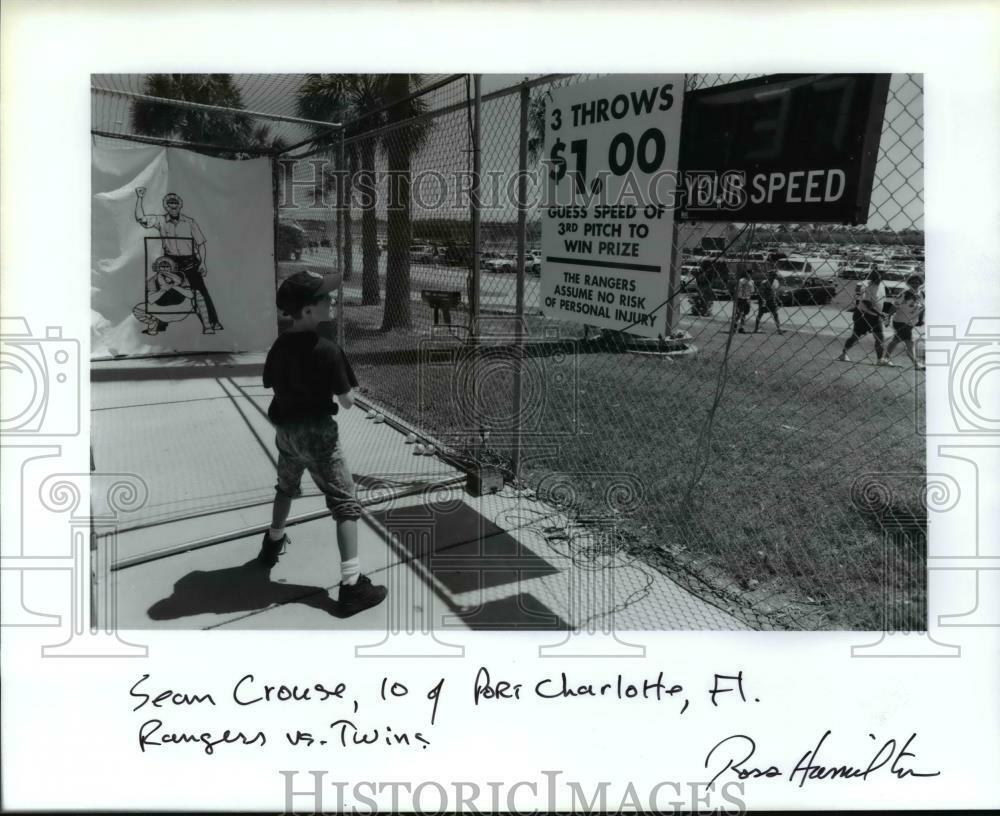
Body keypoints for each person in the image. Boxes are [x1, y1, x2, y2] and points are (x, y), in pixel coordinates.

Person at [258, 270, 387, 615]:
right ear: (309, 310)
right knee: (345, 504)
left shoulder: (279, 345)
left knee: (286, 487)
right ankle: (351, 586)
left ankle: (271, 544)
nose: (332, 301)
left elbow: (270, 381)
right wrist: (352, 393)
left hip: (286, 431)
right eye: (324, 298)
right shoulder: (328, 350)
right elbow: (346, 401)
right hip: (318, 435)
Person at [135, 187, 223, 333]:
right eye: (170, 203)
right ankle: (161, 325)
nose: (173, 206)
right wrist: (139, 198)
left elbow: (201, 244)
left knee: (200, 290)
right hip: (171, 262)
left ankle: (212, 322)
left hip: (190, 261)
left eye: (176, 203)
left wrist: (203, 263)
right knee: (164, 288)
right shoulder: (160, 220)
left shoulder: (190, 222)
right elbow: (141, 218)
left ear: (180, 205)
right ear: (166, 206)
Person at [132, 255, 211, 335]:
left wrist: (174, 285)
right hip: (161, 310)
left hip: (181, 308)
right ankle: (153, 323)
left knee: (197, 293)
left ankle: (207, 326)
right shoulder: (152, 281)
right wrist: (163, 290)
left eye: (167, 266)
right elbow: (151, 300)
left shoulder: (181, 278)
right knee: (137, 309)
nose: (165, 269)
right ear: (157, 267)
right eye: (162, 266)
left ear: (172, 267)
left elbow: (190, 295)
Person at [838, 269, 887, 363]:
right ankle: (843, 354)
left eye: (882, 276)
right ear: (873, 276)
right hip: (863, 315)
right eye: (878, 276)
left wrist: (881, 313)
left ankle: (880, 359)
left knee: (880, 337)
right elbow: (866, 303)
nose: (880, 278)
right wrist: (880, 313)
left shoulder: (882, 285)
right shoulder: (868, 286)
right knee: (855, 336)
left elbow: (880, 301)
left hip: (875, 316)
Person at [880, 274, 925, 369]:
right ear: (909, 283)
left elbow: (922, 308)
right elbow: (894, 306)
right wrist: (887, 317)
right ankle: (916, 364)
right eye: (912, 282)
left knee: (896, 340)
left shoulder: (922, 294)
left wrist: (920, 320)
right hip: (900, 321)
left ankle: (885, 359)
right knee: (910, 342)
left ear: (920, 283)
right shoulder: (904, 294)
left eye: (917, 282)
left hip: (910, 323)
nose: (915, 284)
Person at [753, 269, 785, 334]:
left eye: (774, 275)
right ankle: (756, 329)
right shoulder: (764, 283)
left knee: (775, 314)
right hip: (764, 301)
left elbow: (775, 292)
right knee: (760, 314)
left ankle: (779, 329)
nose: (773, 277)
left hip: (772, 301)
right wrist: (763, 299)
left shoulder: (776, 282)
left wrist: (777, 299)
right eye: (771, 275)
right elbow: (760, 292)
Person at [735, 267, 754, 333]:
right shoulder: (741, 280)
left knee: (744, 314)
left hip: (747, 299)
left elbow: (752, 291)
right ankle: (735, 325)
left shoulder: (751, 282)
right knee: (739, 313)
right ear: (746, 274)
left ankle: (741, 327)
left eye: (751, 274)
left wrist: (749, 299)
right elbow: (737, 289)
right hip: (741, 299)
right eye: (749, 273)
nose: (750, 275)